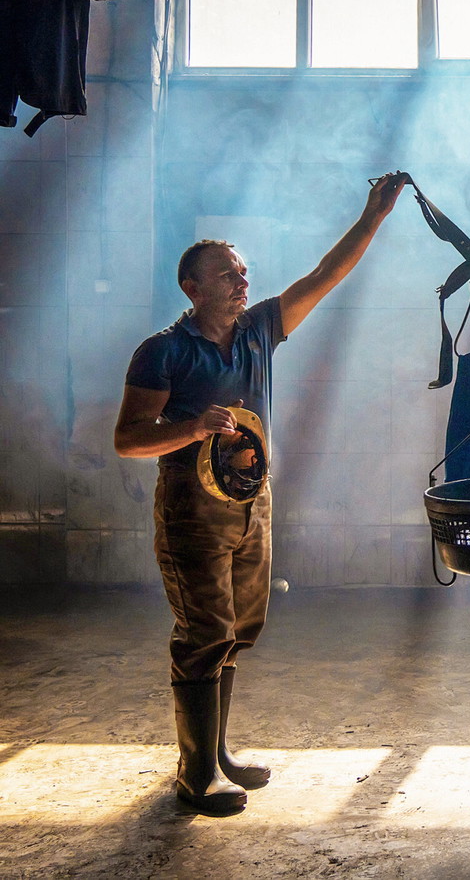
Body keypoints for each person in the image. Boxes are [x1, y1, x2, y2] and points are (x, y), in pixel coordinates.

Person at [113, 173, 408, 815]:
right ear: (192, 287)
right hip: (193, 508)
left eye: (243, 273)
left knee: (242, 624)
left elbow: (326, 274)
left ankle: (216, 754)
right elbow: (128, 440)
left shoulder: (259, 332)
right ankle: (194, 775)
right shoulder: (162, 353)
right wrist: (191, 427)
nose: (241, 283)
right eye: (227, 275)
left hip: (253, 502)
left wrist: (374, 214)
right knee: (204, 629)